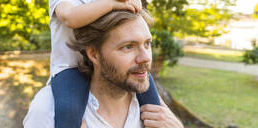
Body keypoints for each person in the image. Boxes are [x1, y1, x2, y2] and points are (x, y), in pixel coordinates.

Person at [46, 0, 161, 128]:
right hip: (70, 68)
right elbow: (71, 17)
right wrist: (111, 2)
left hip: (103, 64)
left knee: (151, 96)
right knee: (69, 109)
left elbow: (133, 7)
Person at [23, 10, 184, 128]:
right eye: (128, 47)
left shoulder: (156, 109)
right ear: (94, 54)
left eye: (147, 44)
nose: (145, 57)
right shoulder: (48, 107)